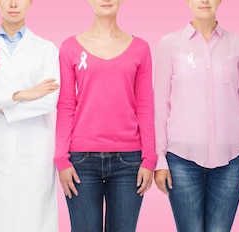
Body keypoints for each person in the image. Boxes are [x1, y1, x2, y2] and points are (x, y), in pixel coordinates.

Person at [154, 0, 239, 231]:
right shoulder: (170, 45)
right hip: (181, 160)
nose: (204, 0)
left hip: (231, 160)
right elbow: (160, 107)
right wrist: (159, 159)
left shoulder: (238, 45)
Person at [54, 1, 156, 231]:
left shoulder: (140, 48)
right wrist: (61, 158)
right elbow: (66, 105)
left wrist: (149, 158)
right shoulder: (70, 47)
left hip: (129, 162)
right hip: (80, 162)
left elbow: (146, 106)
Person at [0, 0, 60, 231]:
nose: (13, 4)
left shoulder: (46, 49)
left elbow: (47, 101)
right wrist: (22, 95)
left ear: (30, 3)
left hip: (34, 151)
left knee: (34, 219)